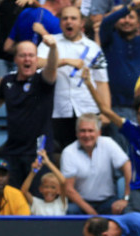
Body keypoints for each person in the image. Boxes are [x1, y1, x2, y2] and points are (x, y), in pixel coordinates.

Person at [0, 31, 58, 190]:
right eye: (23, 55)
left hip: (39, 155)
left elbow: (52, 66)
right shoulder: (7, 81)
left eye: (31, 55)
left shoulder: (43, 80)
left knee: (36, 203)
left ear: (37, 59)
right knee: (12, 202)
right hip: (12, 153)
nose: (27, 59)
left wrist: (53, 48)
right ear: (15, 59)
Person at [83, 69, 140, 215]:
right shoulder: (132, 130)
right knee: (135, 229)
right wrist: (89, 84)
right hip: (138, 191)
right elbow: (105, 110)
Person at [36, 6, 111, 153]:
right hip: (58, 111)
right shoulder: (50, 43)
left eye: (73, 18)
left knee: (90, 155)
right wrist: (64, 61)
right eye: (65, 18)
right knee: (60, 156)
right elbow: (37, 63)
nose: (69, 22)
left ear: (82, 23)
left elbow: (102, 82)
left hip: (87, 110)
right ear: (60, 22)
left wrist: (106, 112)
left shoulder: (94, 48)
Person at [104, 0, 140, 151]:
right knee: (121, 155)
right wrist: (129, 7)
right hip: (117, 108)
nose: (126, 21)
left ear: (139, 24)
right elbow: (106, 23)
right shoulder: (110, 40)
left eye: (131, 18)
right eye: (124, 18)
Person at [59, 112, 131, 215]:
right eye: (82, 131)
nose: (87, 135)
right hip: (81, 204)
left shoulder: (108, 143)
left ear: (99, 132)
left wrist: (126, 198)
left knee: (125, 209)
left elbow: (128, 166)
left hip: (107, 201)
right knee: (70, 210)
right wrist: (92, 213)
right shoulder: (69, 152)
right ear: (76, 133)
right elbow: (69, 189)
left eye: (90, 131)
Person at [20, 149, 68, 216]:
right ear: (40, 189)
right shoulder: (36, 204)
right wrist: (33, 172)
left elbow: (63, 182)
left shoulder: (61, 203)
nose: (49, 190)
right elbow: (24, 190)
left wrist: (48, 163)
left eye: (53, 187)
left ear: (59, 190)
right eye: (46, 187)